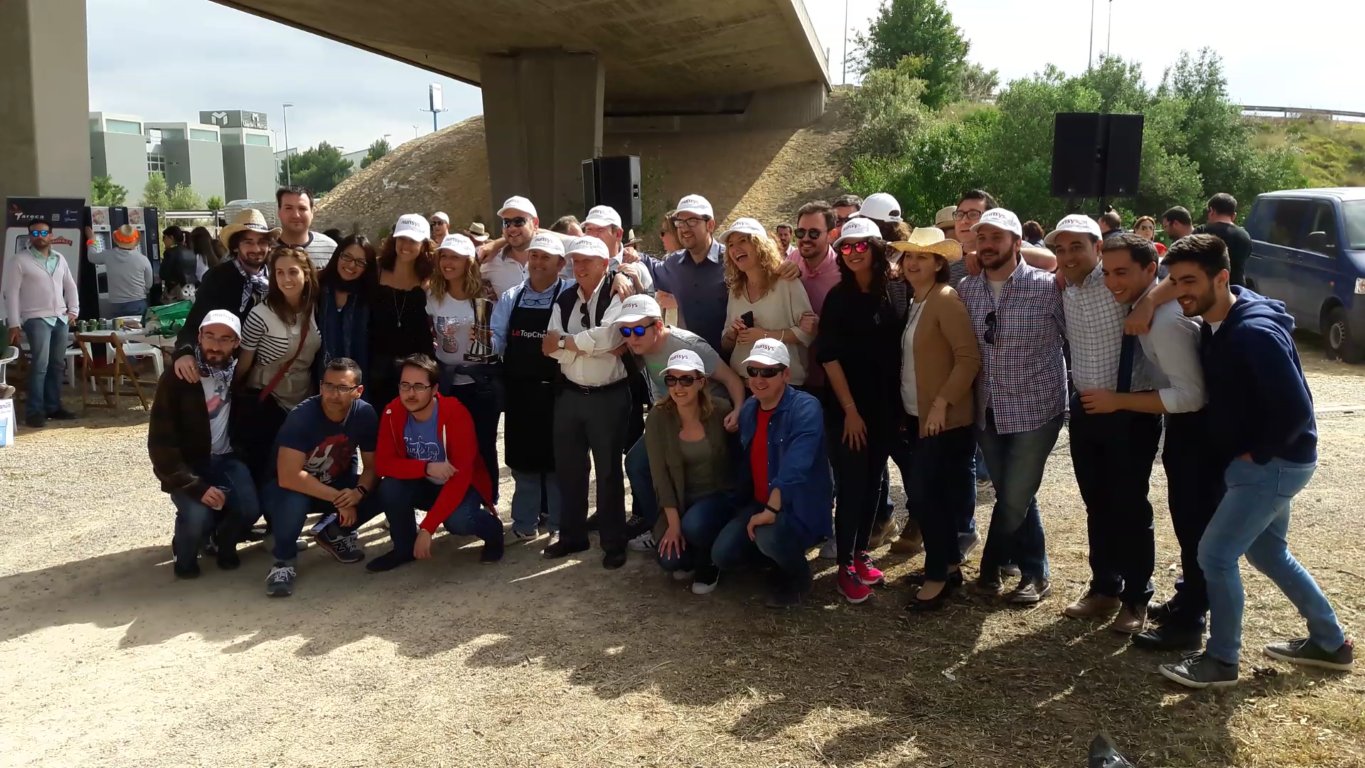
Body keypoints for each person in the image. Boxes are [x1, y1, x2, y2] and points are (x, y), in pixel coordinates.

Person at [1157, 234, 1354, 688]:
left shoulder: (1251, 333)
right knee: (1268, 551)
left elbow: (1296, 408)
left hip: (1273, 464)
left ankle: (1222, 661)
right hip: (1272, 462)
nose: (1178, 290)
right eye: (1172, 281)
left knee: (1215, 554)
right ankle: (1329, 642)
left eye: (1188, 281)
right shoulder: (1227, 312)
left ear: (1221, 278)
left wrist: (1258, 452)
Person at [1087, 233, 1216, 651]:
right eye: (1106, 273)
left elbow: (1192, 396)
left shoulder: (1165, 322)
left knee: (1195, 525)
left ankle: (1191, 620)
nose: (1111, 282)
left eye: (1121, 272)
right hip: (1185, 428)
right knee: (1186, 520)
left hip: (1198, 430)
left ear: (1150, 270)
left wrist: (1117, 401)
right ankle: (1187, 600)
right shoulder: (1153, 305)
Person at [1048, 215, 1163, 634]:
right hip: (1086, 409)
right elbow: (1031, 254)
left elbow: (1164, 275)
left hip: (1131, 409)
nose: (1067, 256)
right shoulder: (1066, 284)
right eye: (1060, 249)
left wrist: (1149, 302)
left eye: (1076, 246)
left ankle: (1137, 597)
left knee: (1130, 506)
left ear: (1099, 246)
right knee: (1096, 502)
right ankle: (1105, 587)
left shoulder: (1117, 278)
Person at [957, 208, 1067, 605]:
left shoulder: (1047, 287)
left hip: (1037, 407)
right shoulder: (967, 289)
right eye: (981, 238)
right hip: (987, 407)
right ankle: (1009, 564)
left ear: (1017, 243)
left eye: (997, 238)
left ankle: (1027, 572)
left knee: (1017, 491)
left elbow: (1073, 334)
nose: (987, 245)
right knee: (1011, 489)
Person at [815, 216, 908, 604]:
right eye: (845, 248)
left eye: (859, 246)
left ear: (874, 248)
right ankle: (845, 569)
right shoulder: (838, 297)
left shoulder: (896, 291)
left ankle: (860, 553)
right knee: (852, 485)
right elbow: (829, 358)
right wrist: (850, 411)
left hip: (887, 406)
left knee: (874, 480)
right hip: (848, 409)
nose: (852, 254)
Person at [890, 228, 980, 611]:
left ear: (939, 264)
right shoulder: (917, 300)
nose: (912, 262)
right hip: (918, 415)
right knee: (928, 496)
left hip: (943, 419)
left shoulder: (945, 298)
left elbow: (968, 358)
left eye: (922, 257)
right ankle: (946, 565)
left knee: (928, 496)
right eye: (909, 255)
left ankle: (939, 576)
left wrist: (942, 403)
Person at [615, 295, 746, 549]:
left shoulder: (687, 345)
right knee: (636, 463)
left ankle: (700, 528)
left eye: (639, 329)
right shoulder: (638, 346)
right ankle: (661, 527)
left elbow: (731, 379)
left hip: (707, 414)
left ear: (659, 326)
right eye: (626, 331)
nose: (632, 337)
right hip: (671, 415)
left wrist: (738, 410)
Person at [711, 339, 833, 608]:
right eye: (753, 371)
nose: (758, 378)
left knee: (768, 533)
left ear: (786, 374)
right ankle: (776, 558)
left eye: (768, 372)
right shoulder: (751, 409)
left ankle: (799, 578)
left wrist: (770, 510)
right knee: (723, 555)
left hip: (799, 508)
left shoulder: (806, 407)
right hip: (759, 501)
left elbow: (795, 465)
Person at [148, 310, 259, 577]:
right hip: (189, 464)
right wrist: (192, 484)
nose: (215, 345)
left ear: (236, 343)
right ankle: (184, 553)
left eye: (224, 338)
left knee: (250, 507)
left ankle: (224, 543)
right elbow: (160, 443)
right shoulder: (179, 377)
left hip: (226, 458)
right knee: (198, 516)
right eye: (209, 336)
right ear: (199, 337)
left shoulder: (239, 376)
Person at [543, 236, 632, 567]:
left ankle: (613, 542)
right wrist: (585, 347)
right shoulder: (565, 297)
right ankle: (572, 536)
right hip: (569, 394)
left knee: (608, 472)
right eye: (575, 261)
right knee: (569, 469)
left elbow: (611, 336)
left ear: (604, 264)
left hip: (607, 396)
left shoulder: (618, 293)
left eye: (586, 261)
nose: (578, 267)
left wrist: (569, 343)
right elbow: (549, 347)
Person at [368, 354, 502, 572]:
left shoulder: (456, 414)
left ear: (434, 388)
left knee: (458, 521)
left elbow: (460, 477)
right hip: (423, 481)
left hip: (461, 485)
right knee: (390, 486)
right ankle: (404, 548)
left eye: (419, 386)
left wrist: (428, 528)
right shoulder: (392, 411)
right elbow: (383, 464)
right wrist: (426, 467)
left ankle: (494, 532)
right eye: (405, 385)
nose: (411, 393)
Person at [260, 358, 382, 597]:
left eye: (343, 388)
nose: (334, 394)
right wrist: (339, 499)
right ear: (320, 386)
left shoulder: (365, 414)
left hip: (334, 483)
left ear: (358, 391)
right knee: (293, 499)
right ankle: (283, 562)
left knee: (385, 489)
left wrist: (357, 493)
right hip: (288, 489)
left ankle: (333, 534)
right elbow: (289, 476)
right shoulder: (302, 416)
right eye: (328, 386)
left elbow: (372, 467)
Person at [489, 233, 570, 541]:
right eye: (534, 256)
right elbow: (498, 338)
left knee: (556, 460)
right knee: (522, 460)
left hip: (558, 389)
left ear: (560, 264)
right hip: (520, 390)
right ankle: (524, 523)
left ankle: (559, 523)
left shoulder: (569, 295)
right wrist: (484, 344)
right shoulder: (512, 298)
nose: (537, 262)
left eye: (545, 257)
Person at [646, 349, 743, 594]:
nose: (678, 387)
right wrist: (673, 525)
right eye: (672, 379)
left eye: (686, 379)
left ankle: (709, 561)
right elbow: (660, 476)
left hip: (718, 496)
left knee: (695, 525)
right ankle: (694, 549)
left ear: (701, 382)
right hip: (680, 501)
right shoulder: (658, 417)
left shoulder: (720, 409)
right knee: (670, 560)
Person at [234, 246, 322, 481]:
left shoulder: (315, 308)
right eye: (279, 272)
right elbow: (244, 363)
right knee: (269, 467)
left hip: (305, 399)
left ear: (305, 273)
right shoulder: (260, 315)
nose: (286, 279)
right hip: (269, 401)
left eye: (292, 272)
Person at [427, 233, 501, 505]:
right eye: (444, 256)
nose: (447, 262)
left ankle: (489, 500)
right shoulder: (433, 294)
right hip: (447, 383)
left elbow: (497, 339)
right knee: (452, 447)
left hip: (480, 381)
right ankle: (459, 502)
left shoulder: (485, 294)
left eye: (455, 257)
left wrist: (487, 338)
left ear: (468, 261)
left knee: (484, 446)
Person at [720, 218, 814, 387]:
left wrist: (764, 336)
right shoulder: (735, 290)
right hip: (744, 385)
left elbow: (808, 333)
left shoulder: (787, 282)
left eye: (743, 240)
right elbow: (726, 344)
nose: (736, 248)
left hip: (785, 386)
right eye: (731, 244)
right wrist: (732, 334)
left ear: (760, 246)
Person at [4, 218, 79, 428]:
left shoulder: (59, 258)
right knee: (40, 365)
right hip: (35, 318)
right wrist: (14, 323)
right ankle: (34, 411)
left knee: (56, 365)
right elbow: (11, 294)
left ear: (51, 235)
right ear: (30, 236)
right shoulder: (19, 260)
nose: (40, 237)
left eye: (43, 233)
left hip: (60, 317)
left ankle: (53, 406)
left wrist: (74, 310)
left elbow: (70, 285)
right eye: (35, 234)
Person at [173, 208, 277, 359]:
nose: (256, 249)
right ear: (235, 246)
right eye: (248, 242)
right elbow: (195, 324)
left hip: (270, 365)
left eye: (262, 242)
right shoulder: (217, 278)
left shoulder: (277, 276)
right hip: (228, 365)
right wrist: (184, 353)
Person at [369, 214, 436, 408]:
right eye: (402, 238)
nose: (406, 245)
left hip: (416, 364)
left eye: (413, 240)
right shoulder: (377, 269)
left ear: (423, 244)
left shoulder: (430, 276)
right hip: (378, 363)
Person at [785, 201, 841, 397]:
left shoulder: (843, 272)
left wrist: (823, 328)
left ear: (831, 235)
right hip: (793, 376)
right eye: (800, 233)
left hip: (830, 379)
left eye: (814, 233)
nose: (806, 239)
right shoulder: (792, 259)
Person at [315, 234, 375, 393]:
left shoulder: (370, 297)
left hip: (357, 382)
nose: (351, 265)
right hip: (319, 378)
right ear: (337, 256)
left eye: (360, 262)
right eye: (347, 257)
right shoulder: (318, 289)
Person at [584, 204, 654, 293]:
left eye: (600, 229)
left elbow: (650, 304)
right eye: (589, 229)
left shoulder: (637, 268)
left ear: (618, 234)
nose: (593, 235)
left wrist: (637, 285)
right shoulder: (577, 266)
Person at [87, 224, 153, 316]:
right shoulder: (143, 259)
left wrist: (92, 240)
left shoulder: (108, 255)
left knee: (120, 329)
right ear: (135, 242)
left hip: (117, 304)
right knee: (139, 329)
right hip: (138, 302)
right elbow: (149, 284)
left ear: (116, 240)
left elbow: (92, 256)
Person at [481, 196, 540, 297]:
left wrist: (496, 243)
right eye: (506, 223)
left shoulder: (556, 257)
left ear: (535, 223)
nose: (512, 228)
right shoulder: (492, 262)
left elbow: (575, 240)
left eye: (518, 221)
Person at [1194, 193, 1253, 287]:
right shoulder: (1245, 236)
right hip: (1237, 291)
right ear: (1234, 216)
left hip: (1208, 289)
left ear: (1211, 210)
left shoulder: (1202, 231)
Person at [276, 185, 338, 271]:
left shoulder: (331, 248)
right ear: (279, 212)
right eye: (289, 208)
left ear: (312, 212)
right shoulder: (264, 250)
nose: (296, 215)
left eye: (302, 208)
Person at [159, 225, 199, 301]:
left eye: (164, 237)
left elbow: (163, 274)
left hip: (175, 292)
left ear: (171, 237)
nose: (163, 240)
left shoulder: (170, 252)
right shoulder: (191, 252)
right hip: (190, 290)